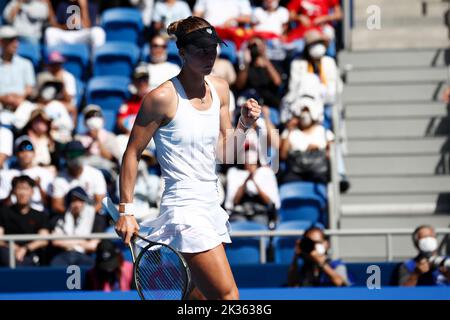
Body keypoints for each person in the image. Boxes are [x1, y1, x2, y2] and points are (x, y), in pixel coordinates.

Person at [115, 16, 261, 300]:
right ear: (182, 53)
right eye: (201, 50)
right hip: (185, 210)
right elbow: (132, 153)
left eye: (213, 49)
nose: (210, 56)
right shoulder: (161, 98)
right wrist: (126, 211)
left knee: (199, 299)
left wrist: (243, 125)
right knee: (228, 298)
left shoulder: (220, 89)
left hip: (210, 203)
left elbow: (226, 152)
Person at [279, 97, 333, 185]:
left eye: (307, 110)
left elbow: (332, 151)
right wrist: (288, 131)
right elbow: (283, 155)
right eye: (302, 111)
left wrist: (318, 149)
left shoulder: (323, 131)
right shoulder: (290, 132)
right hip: (296, 171)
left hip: (317, 170)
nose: (305, 114)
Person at [0, 175, 50, 267]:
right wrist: (14, 248)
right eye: (19, 188)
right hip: (8, 252)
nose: (22, 193)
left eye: (26, 189)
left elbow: (44, 239)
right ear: (14, 191)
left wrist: (25, 249)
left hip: (31, 253)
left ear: (32, 192)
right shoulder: (4, 212)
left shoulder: (40, 215)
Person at [50, 186, 106, 266]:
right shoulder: (61, 218)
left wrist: (68, 242)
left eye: (80, 201)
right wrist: (82, 242)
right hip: (63, 255)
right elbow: (56, 242)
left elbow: (94, 245)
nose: (77, 204)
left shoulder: (96, 218)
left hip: (86, 256)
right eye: (73, 201)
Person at [224, 147, 280, 227]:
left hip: (260, 212)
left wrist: (254, 180)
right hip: (240, 212)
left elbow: (269, 201)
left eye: (253, 164)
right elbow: (235, 201)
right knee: (238, 224)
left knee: (260, 223)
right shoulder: (234, 173)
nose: (250, 166)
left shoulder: (266, 173)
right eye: (248, 163)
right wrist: (247, 180)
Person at [49, 140, 107, 215]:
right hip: (68, 215)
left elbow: (100, 203)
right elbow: (56, 205)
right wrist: (73, 214)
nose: (76, 159)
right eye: (72, 155)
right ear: (65, 158)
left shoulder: (95, 174)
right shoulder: (59, 178)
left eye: (78, 154)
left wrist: (85, 215)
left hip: (92, 214)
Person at [0, 136, 55, 212]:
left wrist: (39, 186)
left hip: (39, 215)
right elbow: (3, 205)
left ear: (34, 153)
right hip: (12, 216)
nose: (26, 153)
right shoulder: (6, 175)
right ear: (16, 154)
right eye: (21, 150)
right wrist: (13, 188)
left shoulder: (45, 173)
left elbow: (50, 204)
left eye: (29, 149)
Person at [0, 26, 36, 128]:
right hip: (1, 103)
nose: (15, 44)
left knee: (32, 110)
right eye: (11, 40)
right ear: (1, 42)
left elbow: (29, 88)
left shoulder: (26, 63)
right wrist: (3, 98)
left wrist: (19, 99)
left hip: (21, 104)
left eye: (16, 40)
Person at [235, 36, 282, 110]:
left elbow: (277, 82)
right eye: (252, 46)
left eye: (258, 45)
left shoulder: (272, 64)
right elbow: (239, 85)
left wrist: (264, 59)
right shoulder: (245, 67)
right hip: (249, 104)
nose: (255, 48)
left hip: (269, 105)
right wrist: (246, 63)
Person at [75, 104, 121, 171]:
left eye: (96, 115)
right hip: (86, 169)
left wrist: (96, 139)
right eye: (89, 116)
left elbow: (112, 158)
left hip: (105, 169)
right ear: (84, 122)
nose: (93, 118)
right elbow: (78, 159)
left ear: (103, 120)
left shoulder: (110, 136)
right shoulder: (78, 138)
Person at [117, 65, 150, 135]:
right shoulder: (128, 103)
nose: (142, 83)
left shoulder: (155, 100)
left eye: (144, 79)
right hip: (131, 135)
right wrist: (130, 133)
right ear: (133, 82)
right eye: (138, 80)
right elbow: (120, 122)